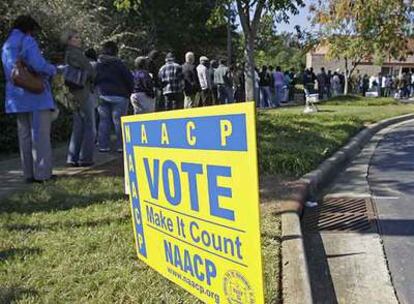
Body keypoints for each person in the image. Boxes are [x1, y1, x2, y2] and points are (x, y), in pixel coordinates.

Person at [2, 15, 57, 183]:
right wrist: (52, 69)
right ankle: (43, 174)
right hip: (35, 95)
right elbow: (38, 65)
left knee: (24, 136)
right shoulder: (27, 40)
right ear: (29, 29)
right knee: (40, 136)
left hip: (16, 96)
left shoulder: (6, 44)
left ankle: (28, 174)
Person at [62, 29, 96, 167]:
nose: (79, 40)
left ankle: (72, 158)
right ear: (69, 40)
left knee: (78, 126)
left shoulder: (67, 54)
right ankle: (86, 158)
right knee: (90, 126)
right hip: (83, 92)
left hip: (72, 93)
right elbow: (90, 71)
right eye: (76, 37)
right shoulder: (77, 54)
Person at [95, 41, 134, 153]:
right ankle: (121, 146)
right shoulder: (119, 64)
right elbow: (129, 79)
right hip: (119, 95)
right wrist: (129, 92)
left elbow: (94, 79)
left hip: (102, 94)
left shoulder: (99, 65)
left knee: (103, 121)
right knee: (119, 122)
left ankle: (103, 146)